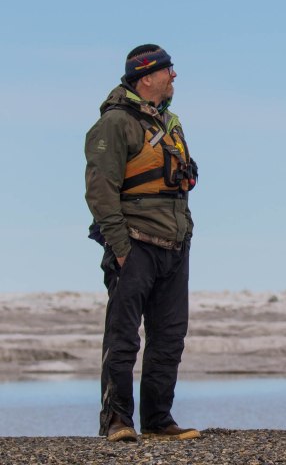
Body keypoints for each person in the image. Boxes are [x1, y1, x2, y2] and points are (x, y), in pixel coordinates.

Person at [84, 44, 200, 442]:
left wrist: (184, 233)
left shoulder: (170, 122)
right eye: (169, 71)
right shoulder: (115, 123)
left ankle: (158, 420)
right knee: (123, 336)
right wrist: (119, 247)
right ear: (146, 77)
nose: (174, 78)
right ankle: (117, 422)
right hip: (133, 243)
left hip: (174, 244)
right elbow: (100, 191)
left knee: (169, 337)